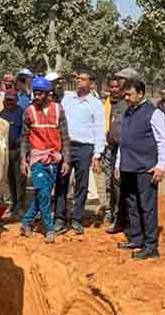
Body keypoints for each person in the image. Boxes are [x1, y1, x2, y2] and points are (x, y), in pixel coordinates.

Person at [115, 79, 165, 260]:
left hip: (146, 168)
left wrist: (161, 165)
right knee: (132, 204)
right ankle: (136, 238)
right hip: (128, 167)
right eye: (125, 94)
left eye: (129, 94)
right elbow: (124, 140)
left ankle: (150, 246)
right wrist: (118, 164)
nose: (126, 97)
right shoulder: (128, 111)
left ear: (140, 93)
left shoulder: (154, 113)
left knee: (147, 207)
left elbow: (163, 140)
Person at [20, 77, 71, 243]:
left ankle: (26, 223)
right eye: (35, 92)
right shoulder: (28, 111)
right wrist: (23, 160)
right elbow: (24, 139)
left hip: (55, 159)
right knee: (44, 194)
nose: (36, 96)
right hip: (37, 159)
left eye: (40, 93)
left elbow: (65, 137)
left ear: (48, 94)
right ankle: (49, 229)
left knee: (42, 195)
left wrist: (66, 160)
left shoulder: (59, 110)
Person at [57, 72, 106, 235]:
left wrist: (97, 155)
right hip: (66, 146)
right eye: (77, 78)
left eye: (83, 79)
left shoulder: (96, 104)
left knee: (82, 185)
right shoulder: (67, 100)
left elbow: (99, 130)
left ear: (91, 84)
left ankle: (77, 219)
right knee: (62, 181)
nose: (78, 80)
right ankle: (59, 218)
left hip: (85, 148)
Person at [103, 77, 129, 231]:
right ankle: (110, 211)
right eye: (111, 87)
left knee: (118, 182)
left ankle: (121, 216)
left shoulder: (125, 105)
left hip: (122, 150)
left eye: (116, 87)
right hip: (108, 148)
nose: (114, 90)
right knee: (108, 183)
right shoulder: (107, 103)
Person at [0, 89, 27, 217]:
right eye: (7, 99)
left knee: (20, 180)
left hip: (18, 151)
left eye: (11, 100)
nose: (9, 102)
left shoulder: (22, 113)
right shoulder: (1, 114)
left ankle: (21, 206)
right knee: (10, 180)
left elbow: (25, 132)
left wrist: (22, 148)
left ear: (16, 100)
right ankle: (13, 204)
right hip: (6, 151)